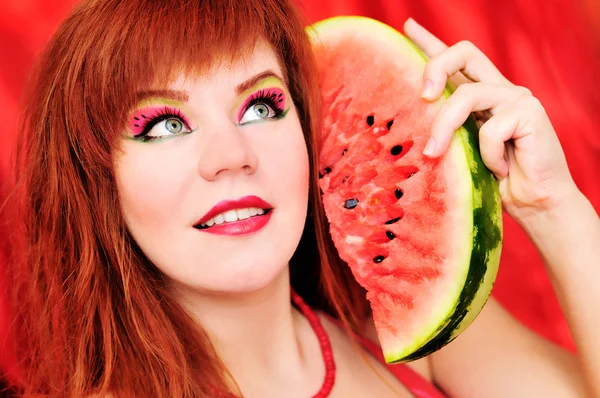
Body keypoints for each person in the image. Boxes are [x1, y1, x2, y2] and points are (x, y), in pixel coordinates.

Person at [3, 0, 599, 396]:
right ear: (98, 180)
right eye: (163, 124)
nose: (231, 154)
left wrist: (556, 210)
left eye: (261, 106)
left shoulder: (403, 337)